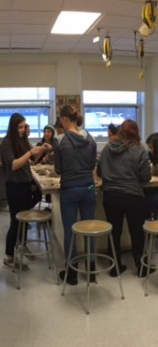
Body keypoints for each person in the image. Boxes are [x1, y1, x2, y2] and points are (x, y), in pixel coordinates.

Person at [97, 119, 153, 278]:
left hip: (110, 195)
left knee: (114, 231)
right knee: (136, 231)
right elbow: (146, 177)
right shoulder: (138, 150)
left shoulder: (107, 148)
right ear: (136, 132)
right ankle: (141, 267)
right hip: (132, 196)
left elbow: (99, 171)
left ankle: (114, 266)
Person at [54, 105, 97, 285]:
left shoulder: (59, 140)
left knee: (70, 231)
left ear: (64, 119)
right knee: (89, 229)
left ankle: (71, 274)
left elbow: (58, 169)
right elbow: (93, 163)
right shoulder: (90, 138)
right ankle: (91, 271)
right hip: (88, 188)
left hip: (69, 190)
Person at [0, 113, 48, 270]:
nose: (23, 130)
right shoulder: (6, 143)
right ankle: (8, 257)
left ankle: (21, 245)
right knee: (16, 221)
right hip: (14, 186)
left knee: (24, 219)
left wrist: (41, 150)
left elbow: (33, 160)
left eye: (24, 126)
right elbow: (13, 165)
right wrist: (30, 152)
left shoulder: (22, 140)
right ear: (13, 127)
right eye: (20, 127)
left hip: (25, 184)